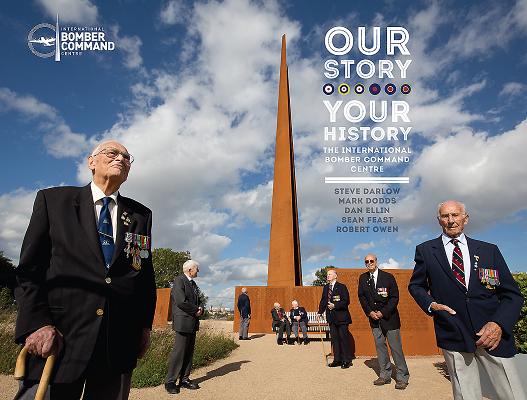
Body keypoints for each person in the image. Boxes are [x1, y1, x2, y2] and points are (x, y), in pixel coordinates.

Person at [14, 140, 156, 400]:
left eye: (127, 157)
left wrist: (145, 326)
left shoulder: (140, 215)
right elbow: (29, 270)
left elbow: (144, 276)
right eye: (112, 153)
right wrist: (36, 324)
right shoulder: (54, 201)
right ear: (91, 162)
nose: (121, 159)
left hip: (117, 343)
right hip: (59, 339)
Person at [408, 200, 523, 400]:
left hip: (493, 336)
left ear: (465, 218)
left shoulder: (489, 250)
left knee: (511, 394)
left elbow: (512, 294)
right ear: (439, 220)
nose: (451, 221)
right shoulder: (426, 250)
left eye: (455, 215)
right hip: (453, 331)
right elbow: (416, 285)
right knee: (466, 395)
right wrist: (431, 304)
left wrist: (498, 324)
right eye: (445, 216)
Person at [358, 254, 409, 389]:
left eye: (371, 261)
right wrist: (370, 312)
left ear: (376, 261)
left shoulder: (388, 277)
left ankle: (402, 377)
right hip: (374, 320)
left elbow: (394, 298)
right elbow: (362, 297)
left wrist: (383, 312)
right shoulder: (363, 278)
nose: (369, 263)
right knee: (380, 349)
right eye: (366, 262)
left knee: (396, 349)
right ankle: (385, 375)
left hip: (390, 319)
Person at [165, 260, 203, 394]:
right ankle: (170, 381)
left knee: (189, 352)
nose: (198, 271)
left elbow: (197, 301)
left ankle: (184, 379)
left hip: (192, 322)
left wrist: (200, 308)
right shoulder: (179, 280)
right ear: (189, 269)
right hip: (183, 322)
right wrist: (196, 309)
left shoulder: (193, 284)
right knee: (179, 352)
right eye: (197, 268)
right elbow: (181, 301)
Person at [318, 268, 353, 368]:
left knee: (343, 339)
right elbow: (323, 301)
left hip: (342, 318)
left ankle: (346, 360)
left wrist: (335, 305)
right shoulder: (326, 288)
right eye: (327, 274)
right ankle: (337, 359)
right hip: (331, 318)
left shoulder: (342, 287)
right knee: (335, 339)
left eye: (330, 274)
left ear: (335, 276)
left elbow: (346, 301)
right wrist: (320, 312)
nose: (328, 276)